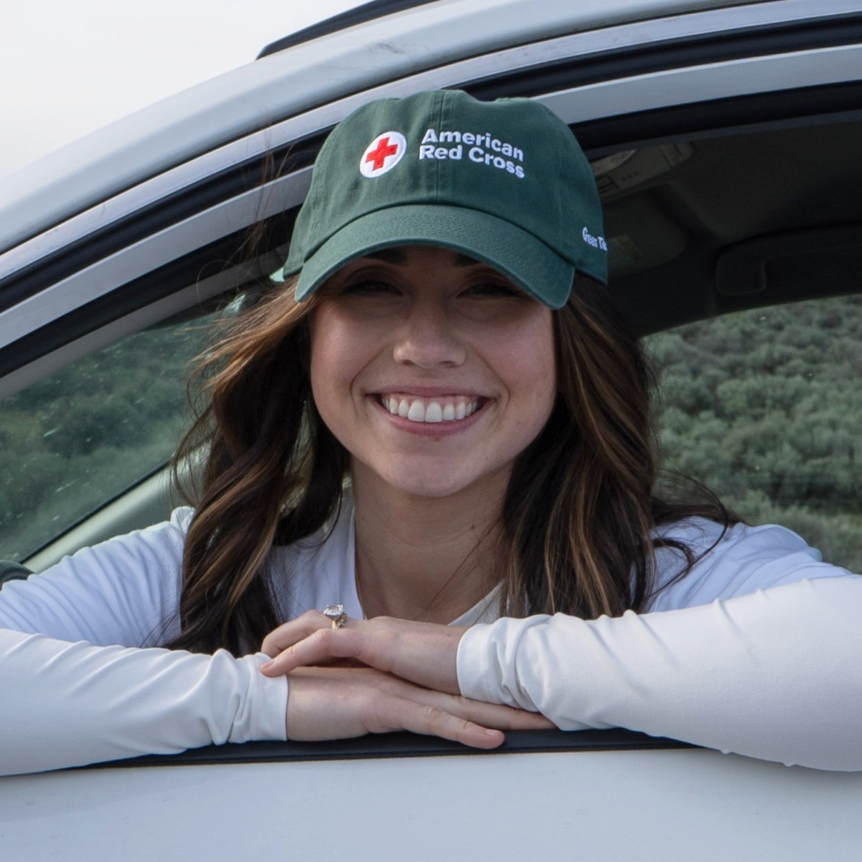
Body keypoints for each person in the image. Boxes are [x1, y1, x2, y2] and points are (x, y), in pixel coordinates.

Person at [1, 90, 860, 777]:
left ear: (568, 339)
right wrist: (264, 701)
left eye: (489, 288)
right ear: (308, 333)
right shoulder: (217, 563)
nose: (424, 345)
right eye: (373, 286)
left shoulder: (665, 573)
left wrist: (474, 660)